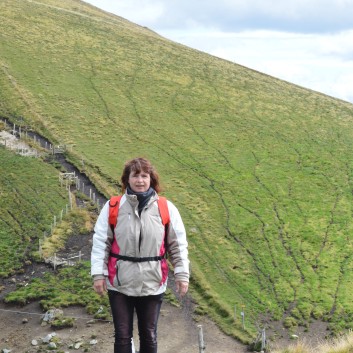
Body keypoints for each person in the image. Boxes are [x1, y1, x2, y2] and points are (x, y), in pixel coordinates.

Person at [91, 157, 190, 353]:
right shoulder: (113, 207)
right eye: (135, 175)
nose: (140, 180)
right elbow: (101, 242)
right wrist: (98, 274)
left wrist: (182, 275)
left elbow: (177, 245)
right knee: (122, 336)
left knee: (149, 334)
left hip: (152, 281)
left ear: (151, 179)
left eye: (144, 176)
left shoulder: (165, 208)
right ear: (126, 179)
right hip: (120, 282)